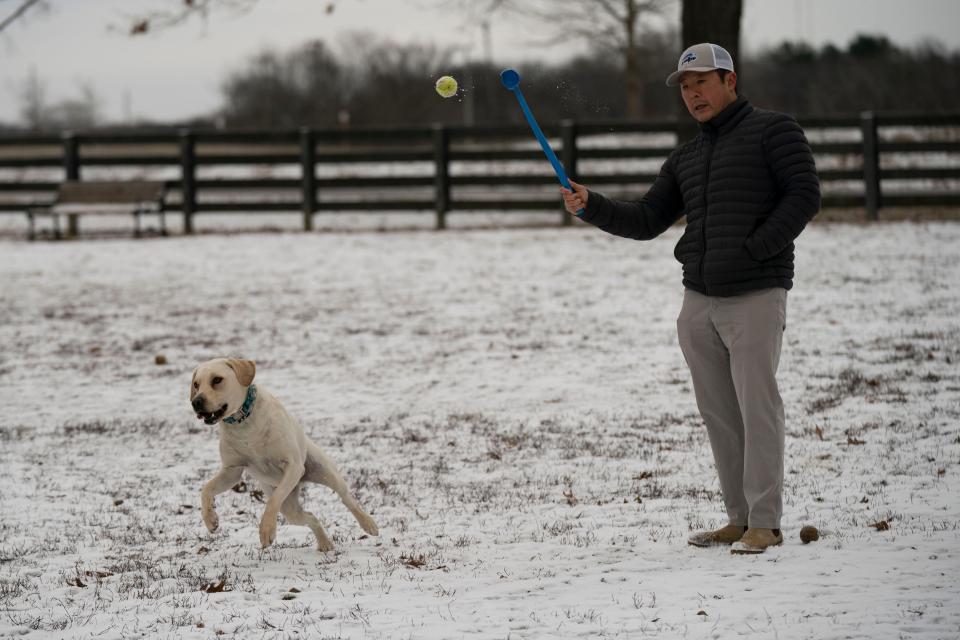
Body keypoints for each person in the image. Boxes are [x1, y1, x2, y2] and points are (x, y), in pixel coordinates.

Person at [561, 43, 820, 554]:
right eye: (684, 86)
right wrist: (592, 205)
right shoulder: (687, 156)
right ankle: (739, 517)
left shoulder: (775, 130)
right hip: (698, 301)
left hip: (756, 293)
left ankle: (765, 522)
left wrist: (757, 248)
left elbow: (804, 195)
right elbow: (647, 219)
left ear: (730, 80)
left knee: (757, 406)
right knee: (719, 412)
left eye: (701, 81)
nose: (692, 93)